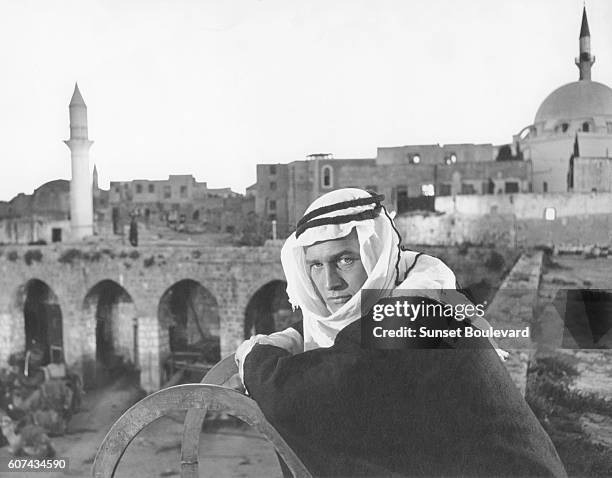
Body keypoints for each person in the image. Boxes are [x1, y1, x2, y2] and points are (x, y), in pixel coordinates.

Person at [233, 188, 567, 477]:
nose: (329, 282)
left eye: (346, 260)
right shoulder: (420, 285)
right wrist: (293, 337)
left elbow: (293, 392)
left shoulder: (410, 319)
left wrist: (254, 355)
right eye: (316, 266)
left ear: (376, 255)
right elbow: (346, 341)